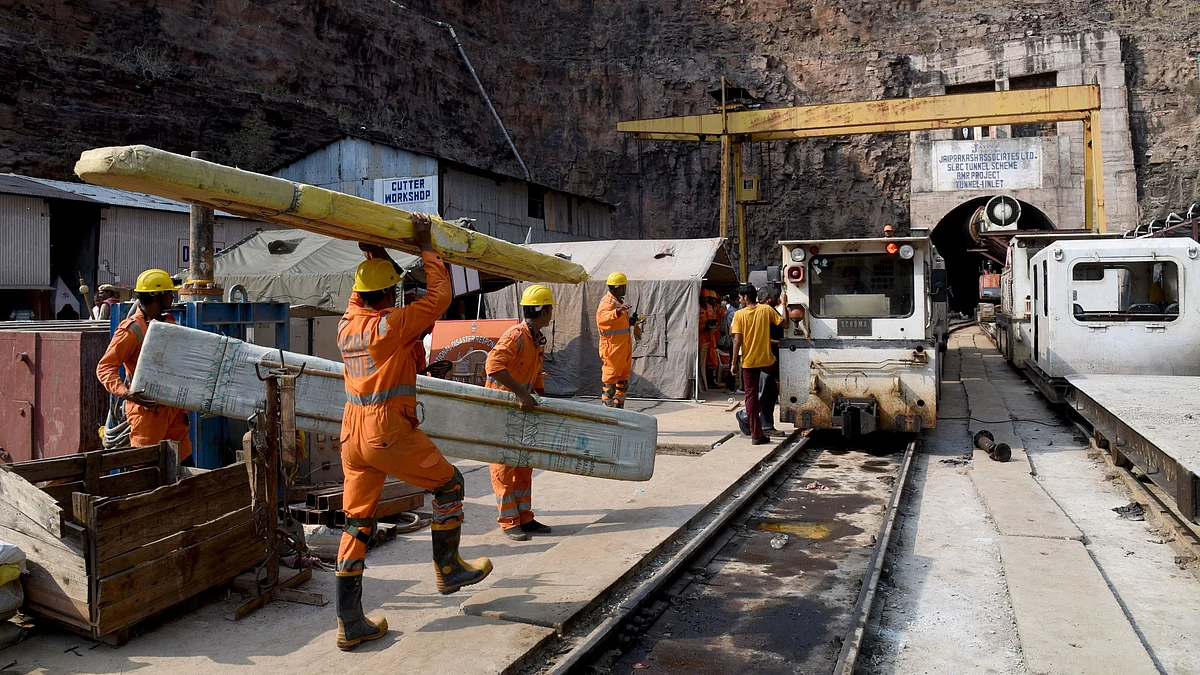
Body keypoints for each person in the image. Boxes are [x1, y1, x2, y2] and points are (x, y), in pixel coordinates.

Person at [334, 213, 491, 651]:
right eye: (392, 291)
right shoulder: (390, 324)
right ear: (385, 295)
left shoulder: (346, 324)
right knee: (450, 485)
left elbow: (365, 294)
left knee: (358, 522)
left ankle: (350, 622)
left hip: (351, 433)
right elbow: (439, 297)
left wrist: (376, 252)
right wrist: (426, 245)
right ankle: (448, 569)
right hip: (386, 429)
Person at [96, 269, 192, 462]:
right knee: (148, 472)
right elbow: (105, 367)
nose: (172, 297)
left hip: (173, 412)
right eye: (169, 293)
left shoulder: (169, 323)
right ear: (156, 296)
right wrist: (125, 393)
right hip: (148, 415)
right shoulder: (132, 330)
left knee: (185, 470)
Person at [486, 284, 555, 541]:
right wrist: (520, 393)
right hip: (502, 409)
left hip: (522, 410)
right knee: (503, 465)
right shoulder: (515, 336)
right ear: (544, 311)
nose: (551, 314)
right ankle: (508, 520)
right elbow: (493, 367)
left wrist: (538, 394)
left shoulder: (536, 339)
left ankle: (524, 517)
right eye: (550, 309)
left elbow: (535, 372)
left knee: (524, 463)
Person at [730, 282, 784, 445]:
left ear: (746, 297)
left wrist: (733, 363)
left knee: (751, 397)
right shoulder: (766, 310)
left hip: (749, 362)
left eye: (740, 298)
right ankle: (758, 421)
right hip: (767, 360)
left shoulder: (739, 315)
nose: (740, 300)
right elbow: (785, 324)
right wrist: (786, 305)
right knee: (781, 380)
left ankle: (756, 434)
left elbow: (737, 340)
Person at [597, 271, 633, 408]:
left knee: (623, 383)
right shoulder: (608, 303)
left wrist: (630, 321)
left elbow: (617, 324)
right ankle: (608, 413)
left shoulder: (618, 302)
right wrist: (618, 311)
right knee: (610, 384)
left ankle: (619, 410)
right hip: (612, 349)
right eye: (623, 286)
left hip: (623, 348)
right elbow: (602, 319)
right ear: (617, 287)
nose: (625, 289)